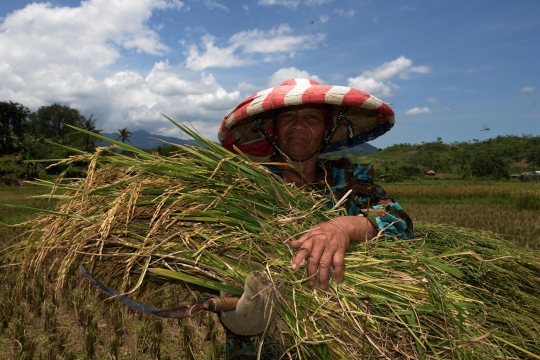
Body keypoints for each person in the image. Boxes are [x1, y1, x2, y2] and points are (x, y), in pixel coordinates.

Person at [217, 79, 414, 359]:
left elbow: (401, 223)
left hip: (337, 338)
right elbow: (211, 256)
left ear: (327, 129)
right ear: (272, 129)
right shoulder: (244, 187)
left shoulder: (347, 179)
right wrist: (235, 309)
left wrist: (343, 226)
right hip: (258, 348)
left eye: (311, 117)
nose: (298, 126)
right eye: (288, 117)